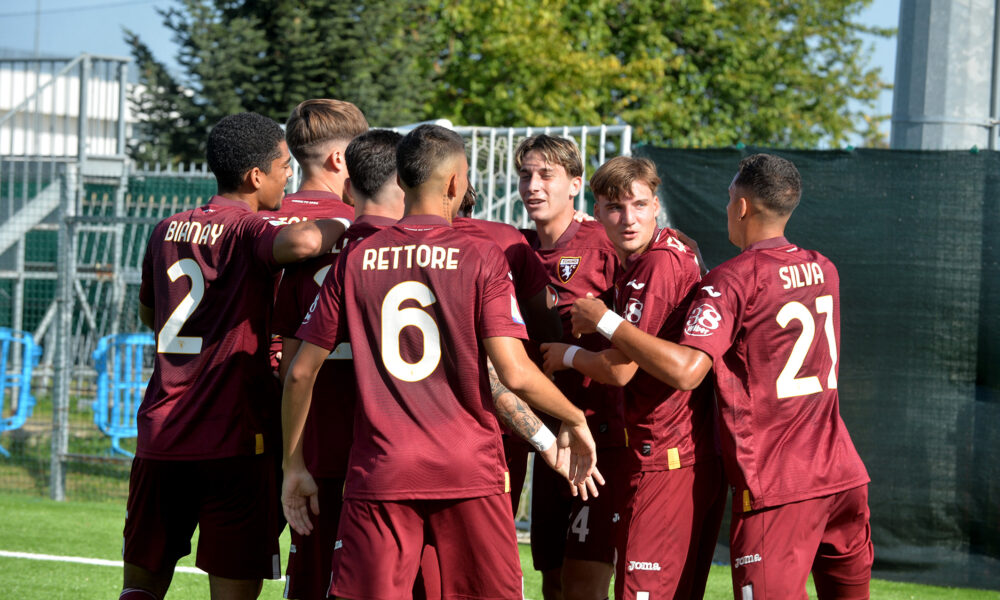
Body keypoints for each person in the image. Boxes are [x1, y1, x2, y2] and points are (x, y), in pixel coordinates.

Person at [281, 124, 600, 600]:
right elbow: (513, 372)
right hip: (468, 469)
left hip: (381, 471)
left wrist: (293, 467)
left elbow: (300, 372)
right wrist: (572, 417)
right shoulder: (483, 256)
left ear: (403, 181)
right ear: (456, 184)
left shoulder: (356, 258)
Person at [571, 153, 873, 600]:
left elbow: (688, 371)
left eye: (730, 198)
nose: (726, 208)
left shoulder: (731, 279)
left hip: (777, 479)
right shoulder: (823, 268)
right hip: (843, 474)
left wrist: (604, 321)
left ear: (744, 207)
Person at [121, 112, 348, 600]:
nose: (290, 176)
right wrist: (348, 220)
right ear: (255, 177)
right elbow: (306, 240)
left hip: (161, 433)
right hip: (233, 437)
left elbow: (149, 313)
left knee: (139, 586)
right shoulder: (249, 229)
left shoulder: (165, 230)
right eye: (284, 166)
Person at [540, 156, 725, 600]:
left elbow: (620, 369)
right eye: (616, 207)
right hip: (651, 448)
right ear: (596, 212)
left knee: (640, 591)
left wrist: (567, 353)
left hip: (667, 452)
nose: (629, 218)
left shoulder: (655, 265)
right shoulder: (660, 253)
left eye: (639, 205)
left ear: (656, 205)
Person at [273, 127, 400, 600]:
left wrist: (293, 461)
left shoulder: (296, 241)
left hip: (316, 441)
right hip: (397, 448)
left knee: (312, 580)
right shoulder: (436, 252)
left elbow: (292, 367)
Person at [516, 134, 626, 600]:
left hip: (598, 434)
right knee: (554, 581)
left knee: (585, 583)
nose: (533, 186)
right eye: (525, 175)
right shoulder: (514, 249)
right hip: (548, 436)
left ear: (575, 185)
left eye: (547, 175)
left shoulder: (604, 245)